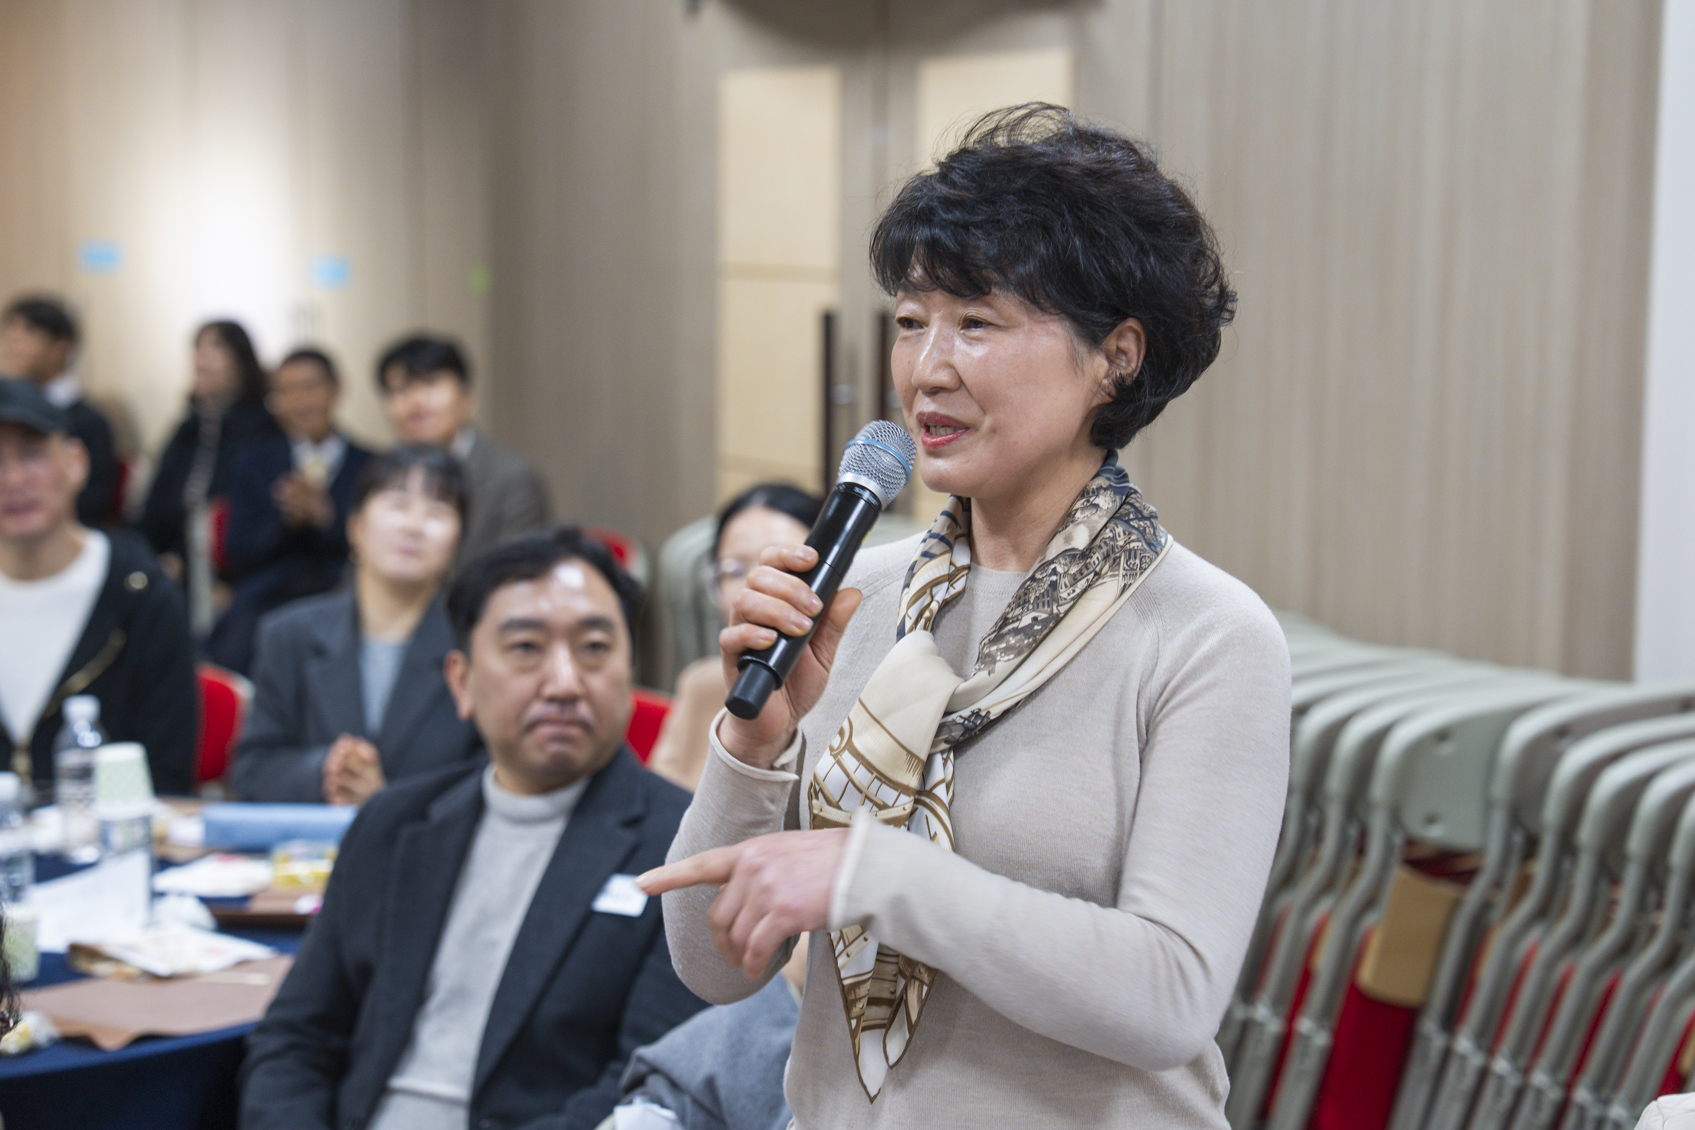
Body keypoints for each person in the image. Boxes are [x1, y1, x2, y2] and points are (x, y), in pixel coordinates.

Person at [642, 105, 1291, 1128]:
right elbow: (712, 968)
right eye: (911, 320)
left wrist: (874, 874)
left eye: (977, 322)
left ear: (1117, 354)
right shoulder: (859, 598)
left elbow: (1170, 995)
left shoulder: (1207, 635)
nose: (927, 367)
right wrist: (753, 742)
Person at [241, 526, 706, 1130]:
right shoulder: (395, 821)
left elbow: (650, 1088)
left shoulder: (684, 848)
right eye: (526, 648)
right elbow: (296, 1039)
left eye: (594, 647)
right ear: (461, 681)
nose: (565, 682)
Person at [231, 445, 478, 805]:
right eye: (397, 505)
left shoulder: (476, 646)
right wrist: (330, 772)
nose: (413, 527)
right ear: (356, 526)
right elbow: (253, 770)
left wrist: (387, 802)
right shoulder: (288, 634)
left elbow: (493, 777)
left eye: (437, 512)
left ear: (458, 542)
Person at [0, 379, 197, 795]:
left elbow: (167, 773)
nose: (13, 479)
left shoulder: (141, 595)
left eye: (31, 455)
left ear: (75, 462)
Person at [207, 348, 374, 674]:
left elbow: (375, 549)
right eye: (285, 392)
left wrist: (327, 518)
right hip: (267, 595)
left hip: (344, 593)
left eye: (310, 387)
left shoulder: (369, 465)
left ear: (336, 389)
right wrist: (285, 521)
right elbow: (238, 549)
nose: (299, 401)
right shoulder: (253, 462)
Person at [647, 483, 821, 791]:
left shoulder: (869, 695)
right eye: (734, 570)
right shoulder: (701, 685)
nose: (755, 586)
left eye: (781, 566)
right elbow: (657, 809)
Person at [138, 320, 281, 631]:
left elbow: (249, 517)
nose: (201, 357)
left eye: (216, 347)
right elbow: (154, 506)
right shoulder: (186, 429)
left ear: (242, 362)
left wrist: (182, 559)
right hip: (173, 564)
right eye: (198, 348)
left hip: (231, 570)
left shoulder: (261, 429)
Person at [375, 333, 550, 566]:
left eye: (430, 384)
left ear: (468, 399)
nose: (416, 402)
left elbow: (516, 573)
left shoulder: (512, 480)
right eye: (401, 389)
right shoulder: (381, 475)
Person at [0, 295, 120, 526]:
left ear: (61, 346)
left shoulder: (91, 422)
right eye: (10, 334)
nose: (14, 343)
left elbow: (94, 503)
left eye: (28, 332)